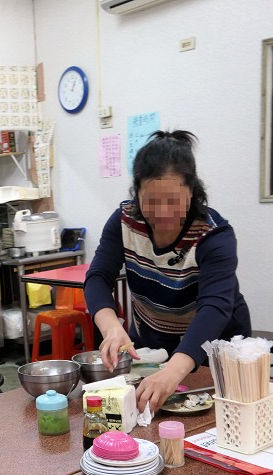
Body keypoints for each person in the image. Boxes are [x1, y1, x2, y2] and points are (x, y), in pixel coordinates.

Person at [84, 130, 251, 414]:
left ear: (193, 191)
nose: (162, 212)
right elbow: (98, 277)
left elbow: (215, 307)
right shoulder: (124, 221)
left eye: (174, 200)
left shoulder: (214, 234)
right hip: (153, 344)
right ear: (136, 192)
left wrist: (174, 370)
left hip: (214, 350)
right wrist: (111, 327)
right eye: (151, 200)